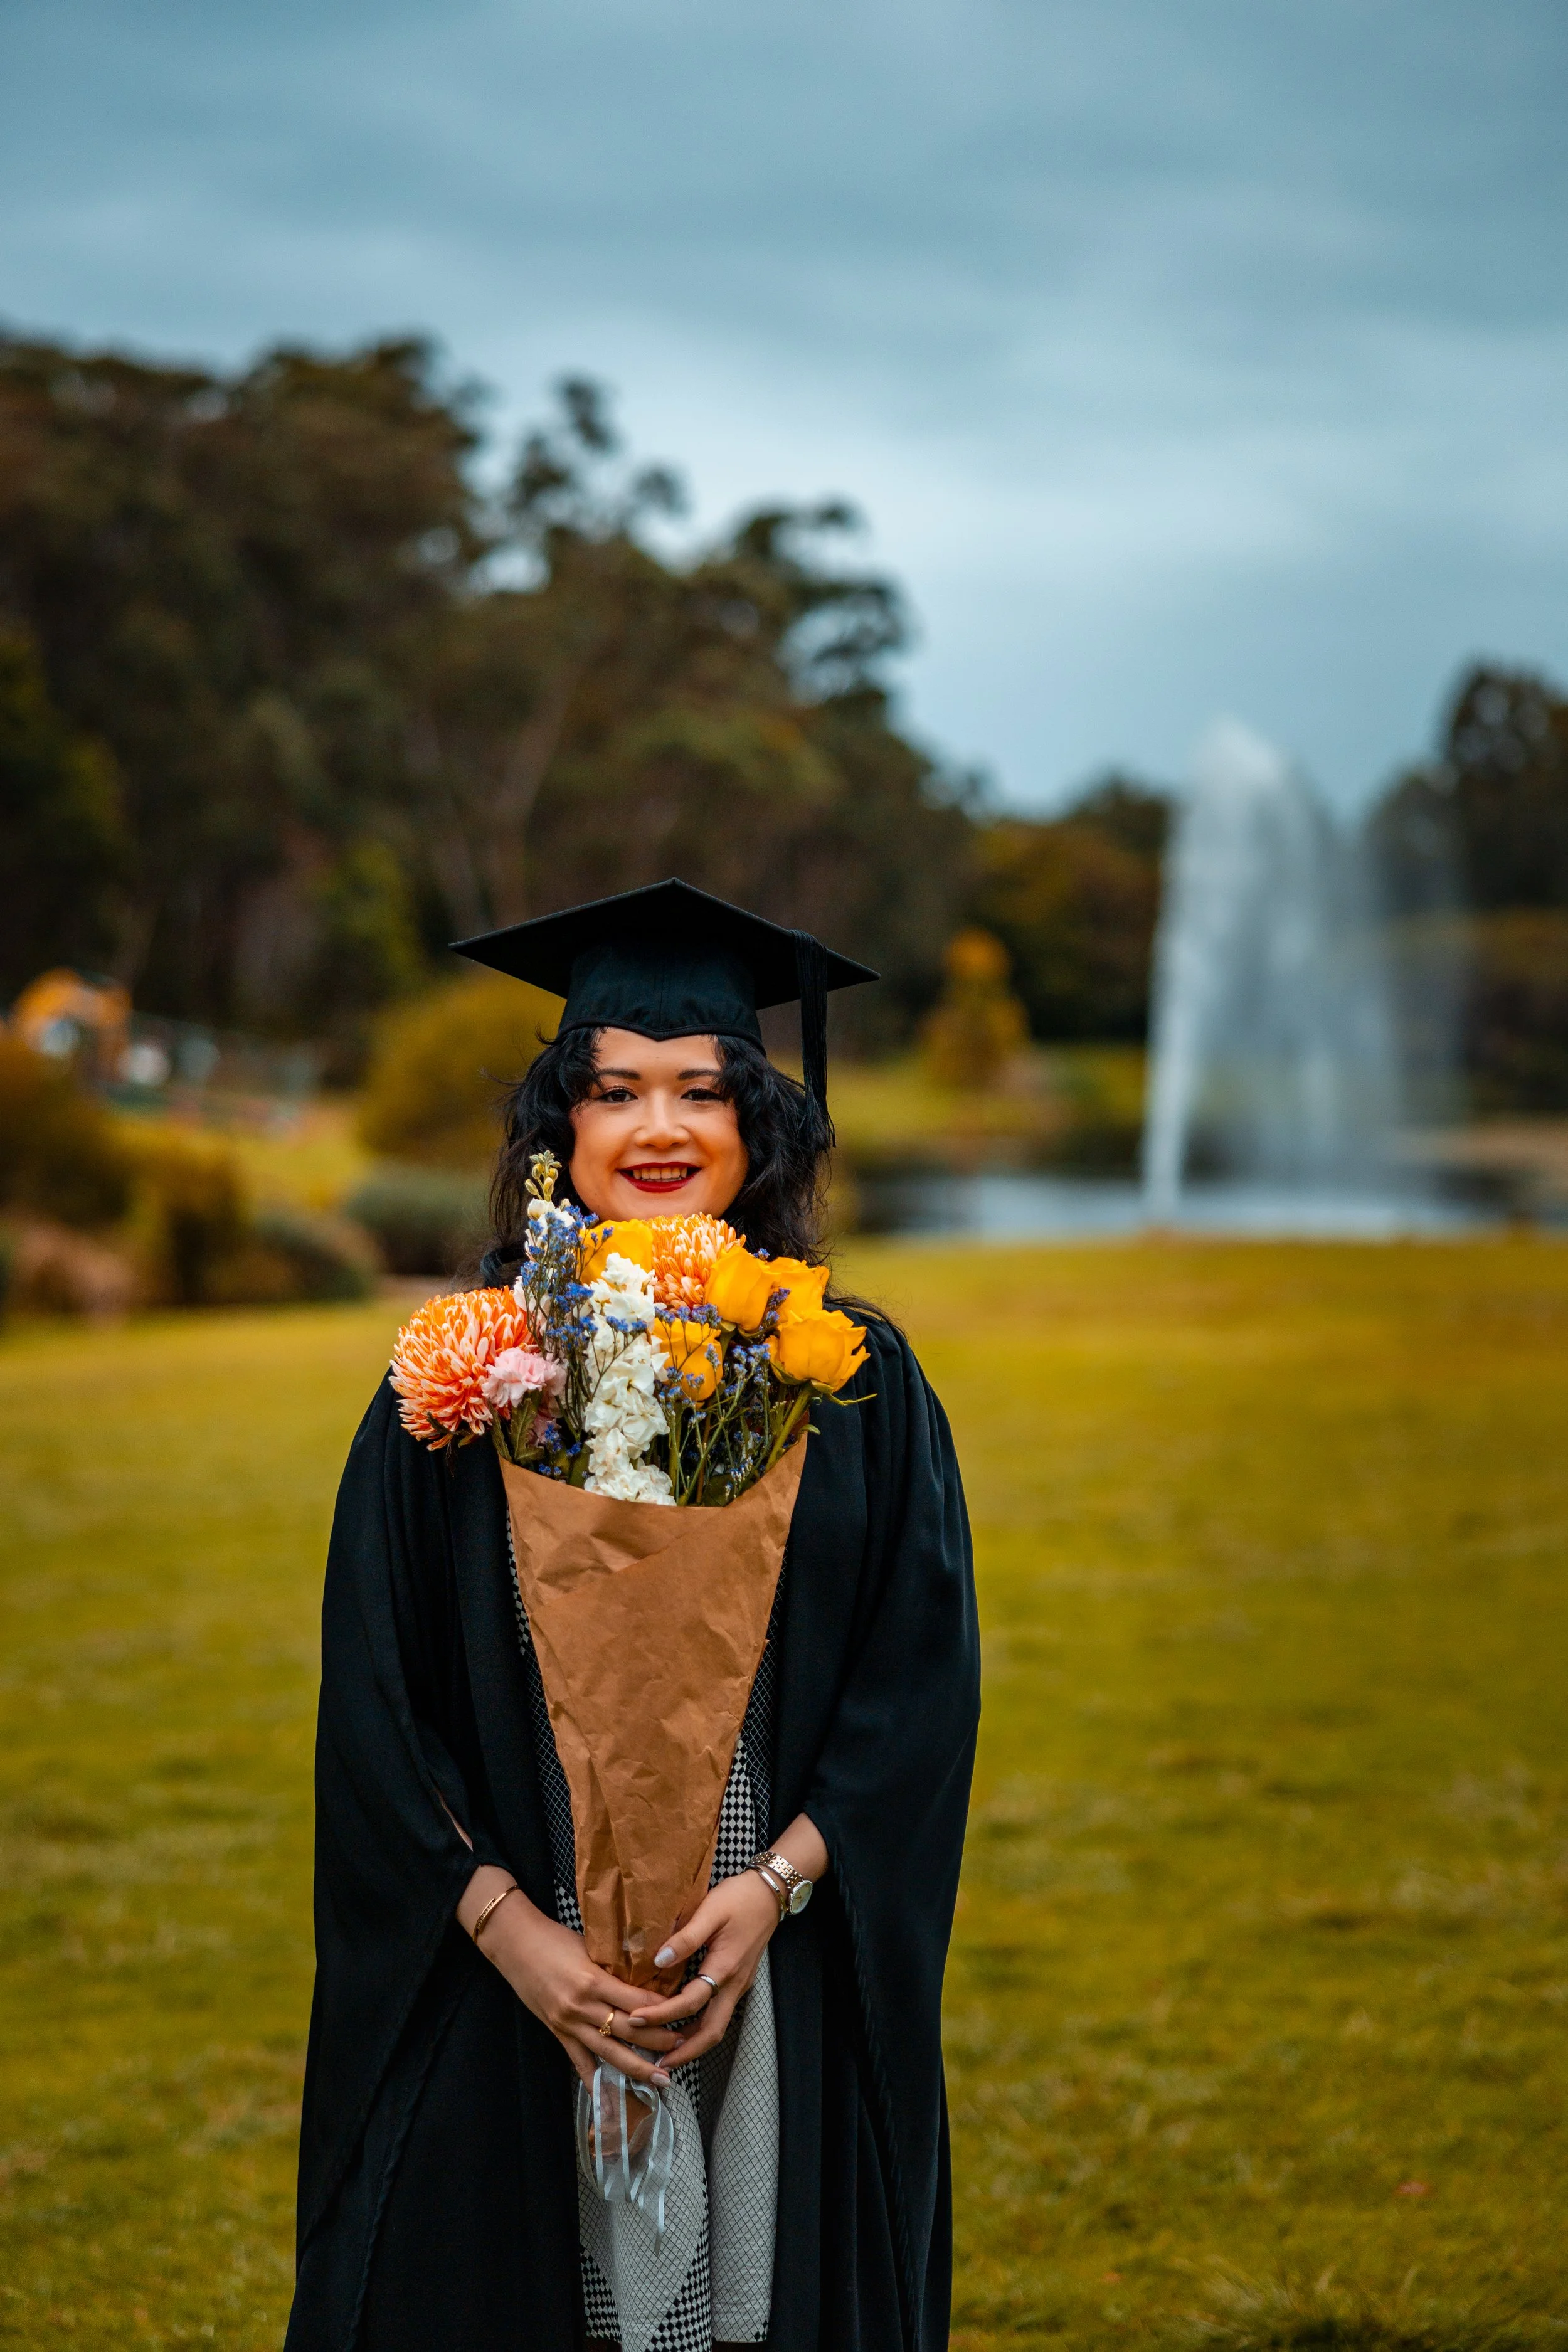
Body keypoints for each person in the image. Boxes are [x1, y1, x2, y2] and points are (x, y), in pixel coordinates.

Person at [285, 880, 980, 2352]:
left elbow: (916, 1685)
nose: (657, 1129)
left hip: (760, 1953)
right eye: (613, 1092)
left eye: (700, 1092)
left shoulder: (850, 1381)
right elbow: (376, 1706)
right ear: (561, 1131)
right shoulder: (461, 1383)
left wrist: (776, 1887)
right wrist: (515, 1937)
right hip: (516, 1962)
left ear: (759, 1130)